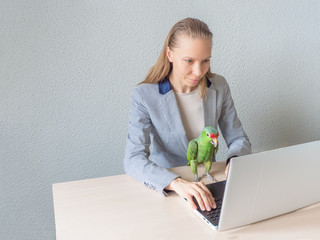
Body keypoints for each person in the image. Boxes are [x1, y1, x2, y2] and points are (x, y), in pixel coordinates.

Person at [123, 18, 251, 212]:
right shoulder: (144, 95)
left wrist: (234, 163)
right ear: (170, 54)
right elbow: (133, 159)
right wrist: (176, 183)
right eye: (189, 61)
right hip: (169, 192)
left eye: (205, 61)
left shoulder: (219, 86)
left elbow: (238, 139)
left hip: (211, 185)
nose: (198, 71)